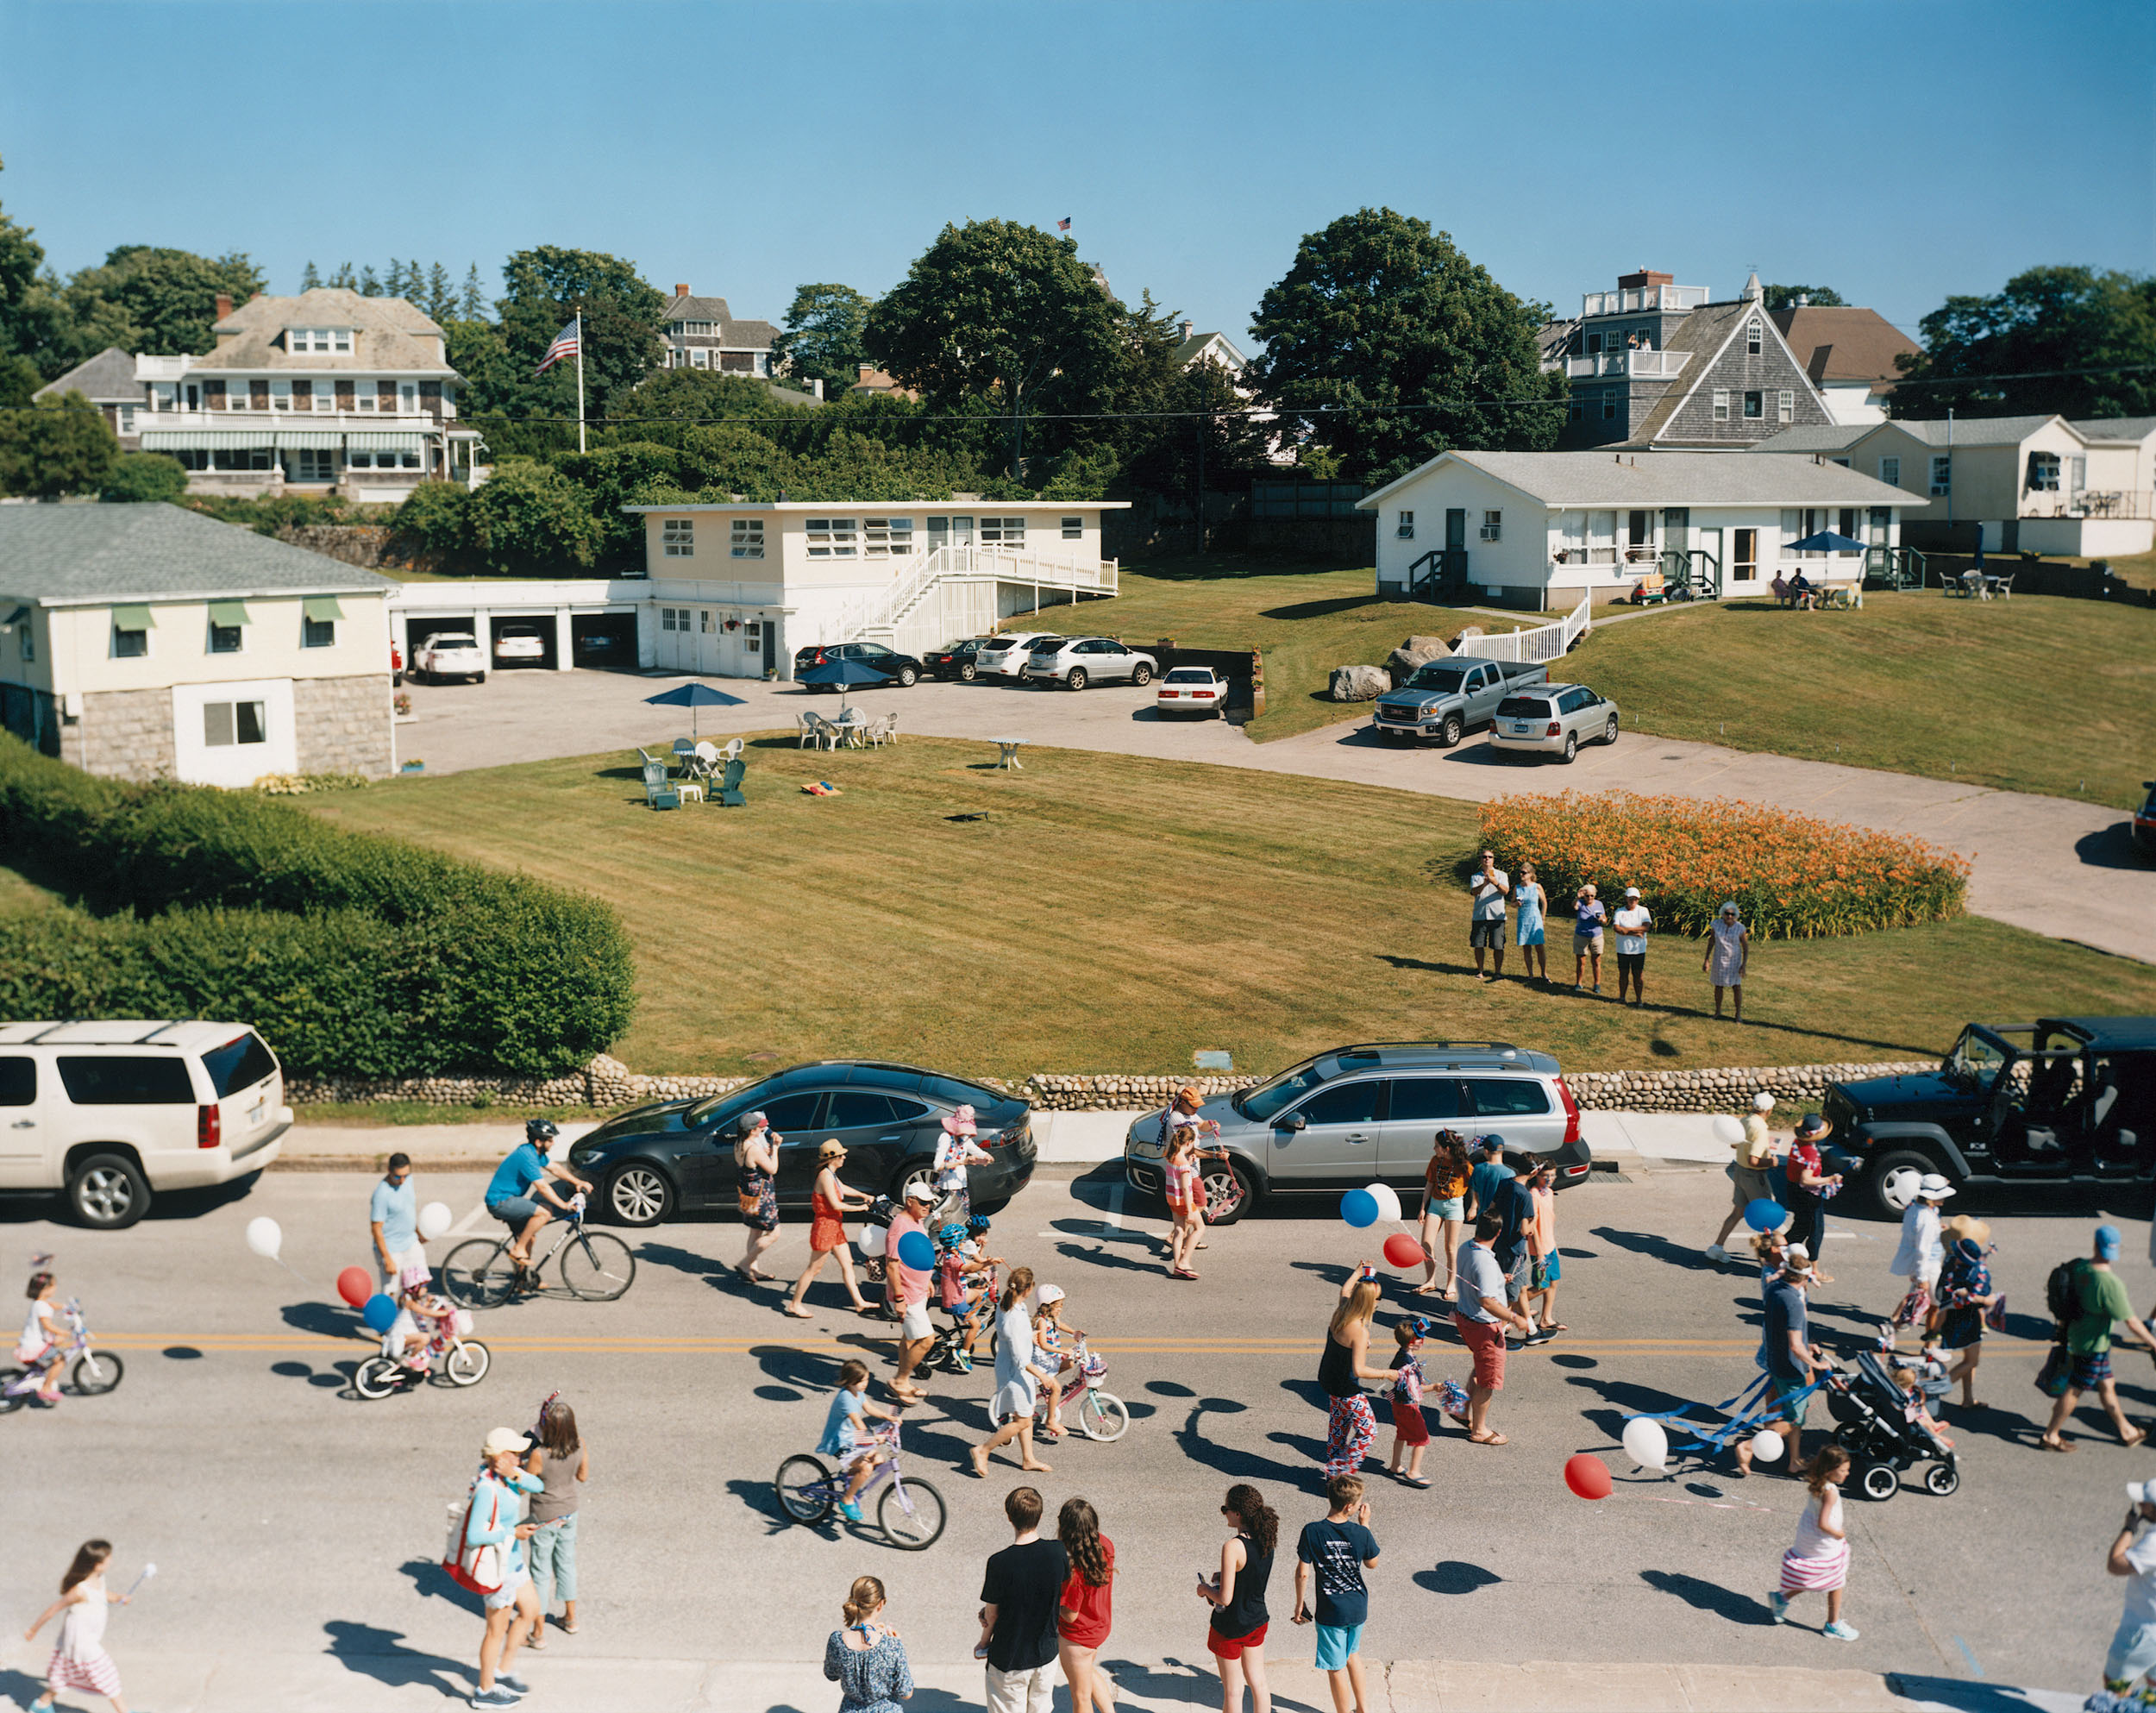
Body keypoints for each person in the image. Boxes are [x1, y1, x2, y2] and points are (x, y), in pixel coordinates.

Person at [2042, 1225, 2156, 1453]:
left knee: (2107, 1384)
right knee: (2074, 1390)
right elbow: (2132, 1322)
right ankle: (2050, 1435)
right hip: (2091, 1345)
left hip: (2080, 1336)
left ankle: (2127, 1431)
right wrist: (2154, 1343)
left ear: (2095, 1244)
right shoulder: (2110, 1284)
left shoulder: (2081, 1267)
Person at [466, 1426, 544, 1708]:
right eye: (515, 1454)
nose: (521, 1458)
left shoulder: (506, 1479)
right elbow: (474, 1536)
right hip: (498, 1570)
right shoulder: (487, 1488)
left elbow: (538, 1486)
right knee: (495, 1631)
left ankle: (503, 1670)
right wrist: (513, 1533)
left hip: (513, 1562)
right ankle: (485, 1691)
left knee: (532, 1609)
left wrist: (513, 1472)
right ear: (499, 1456)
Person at [1294, 1476, 1381, 1713]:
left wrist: (1300, 1604)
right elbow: (1372, 1563)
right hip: (1358, 1606)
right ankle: (1362, 1708)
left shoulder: (1312, 1531)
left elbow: (1303, 1573)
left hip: (1332, 1610)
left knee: (1336, 1666)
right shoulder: (1360, 1532)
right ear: (1349, 1507)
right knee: (1353, 1655)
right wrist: (1365, 1525)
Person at [978, 1485, 1068, 1713]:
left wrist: (984, 1642)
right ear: (1039, 1515)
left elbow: (992, 1613)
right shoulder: (1058, 1552)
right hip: (1045, 1654)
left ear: (1010, 1517)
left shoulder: (999, 1562)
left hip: (1009, 1658)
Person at [1738, 1247, 1827, 1476]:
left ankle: (1794, 1461)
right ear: (1806, 1277)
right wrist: (1816, 1364)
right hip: (1791, 1367)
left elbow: (1781, 1327)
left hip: (1775, 1360)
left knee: (1795, 1414)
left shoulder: (1774, 1288)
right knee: (1793, 1418)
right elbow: (1795, 1346)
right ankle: (1748, 1446)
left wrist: (1808, 1344)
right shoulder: (1795, 1303)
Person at [22, 1539, 132, 1713]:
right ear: (97, 1565)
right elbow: (53, 1609)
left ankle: (41, 1705)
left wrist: (119, 1598)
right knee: (107, 1675)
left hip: (85, 1639)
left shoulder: (99, 1579)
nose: (112, 1560)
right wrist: (33, 1630)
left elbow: (102, 1595)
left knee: (63, 1675)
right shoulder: (80, 1590)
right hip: (81, 1642)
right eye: (109, 1558)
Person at [1455, 1212, 1534, 1446]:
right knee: (1488, 1380)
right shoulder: (1486, 1263)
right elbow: (1487, 1301)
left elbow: (1477, 1278)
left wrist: (1500, 1279)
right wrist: (1515, 1317)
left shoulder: (1466, 1248)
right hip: (1484, 1326)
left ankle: (1461, 1410)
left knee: (1481, 1367)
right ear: (1498, 1233)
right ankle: (1479, 1431)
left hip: (1465, 1318)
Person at [1200, 1483, 1278, 1713]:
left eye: (1226, 1509)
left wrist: (1205, 1589)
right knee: (1258, 1681)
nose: (1225, 1514)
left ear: (1238, 1514)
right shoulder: (1267, 1537)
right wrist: (1225, 1574)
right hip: (1257, 1620)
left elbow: (1224, 1598)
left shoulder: (1233, 1546)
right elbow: (1252, 1572)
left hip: (1231, 1627)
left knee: (1233, 1690)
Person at [485, 1119, 592, 1283]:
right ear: (538, 1141)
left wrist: (577, 1182)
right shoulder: (527, 1157)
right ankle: (518, 1249)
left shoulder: (535, 1153)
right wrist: (564, 1205)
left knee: (530, 1237)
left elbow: (555, 1168)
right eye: (550, 1140)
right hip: (500, 1202)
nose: (553, 1143)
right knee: (545, 1212)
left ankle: (523, 1281)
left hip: (509, 1199)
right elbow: (542, 1188)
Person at [973, 1267, 1056, 1478]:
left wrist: (1032, 1334)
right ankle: (983, 1450)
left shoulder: (1011, 1304)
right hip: (1014, 1373)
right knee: (1023, 1420)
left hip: (1013, 1368)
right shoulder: (1013, 1318)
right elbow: (1020, 1359)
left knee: (1024, 1414)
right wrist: (1042, 1376)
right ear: (1027, 1289)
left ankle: (1028, 1459)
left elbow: (1017, 1336)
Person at [1769, 1446, 1857, 1640]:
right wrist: (1839, 1533)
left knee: (1816, 1576)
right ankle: (1832, 1625)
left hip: (1809, 1538)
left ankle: (1782, 1598)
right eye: (1843, 1470)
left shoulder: (1819, 1483)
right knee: (1836, 1579)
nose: (1847, 1473)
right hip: (1823, 1541)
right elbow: (1824, 1523)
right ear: (1830, 1470)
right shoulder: (1830, 1491)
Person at [522, 1397, 588, 1648]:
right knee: (566, 1564)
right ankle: (570, 1619)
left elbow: (524, 1486)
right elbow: (583, 1476)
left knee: (540, 1571)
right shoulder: (580, 1445)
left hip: (544, 1516)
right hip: (569, 1512)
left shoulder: (539, 1455)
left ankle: (538, 1632)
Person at [1319, 1270, 1395, 1479]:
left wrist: (1359, 1271)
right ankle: (1338, 1471)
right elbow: (1359, 1370)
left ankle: (1333, 1480)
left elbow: (1345, 1289)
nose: (1380, 1302)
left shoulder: (1342, 1310)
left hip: (1329, 1381)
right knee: (1368, 1432)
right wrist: (1387, 1374)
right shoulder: (1360, 1332)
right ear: (1370, 1301)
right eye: (1378, 1298)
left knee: (1339, 1429)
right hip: (1347, 1388)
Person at [787, 1141, 877, 1319]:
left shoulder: (831, 1174)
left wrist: (862, 1195)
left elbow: (841, 1188)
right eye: (841, 1155)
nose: (844, 1157)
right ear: (832, 1158)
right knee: (814, 1268)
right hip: (825, 1227)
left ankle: (859, 1302)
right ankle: (794, 1304)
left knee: (848, 1263)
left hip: (835, 1227)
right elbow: (836, 1204)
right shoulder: (825, 1176)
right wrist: (860, 1208)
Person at [820, 1358, 902, 1522]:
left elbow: (869, 1408)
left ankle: (850, 1480)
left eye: (866, 1380)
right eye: (862, 1381)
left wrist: (889, 1417)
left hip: (852, 1438)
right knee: (865, 1468)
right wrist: (875, 1438)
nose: (865, 1384)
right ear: (851, 1381)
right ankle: (847, 1500)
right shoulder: (846, 1398)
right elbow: (859, 1425)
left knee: (878, 1460)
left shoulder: (858, 1392)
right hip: (840, 1441)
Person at [1056, 1496, 1117, 1713]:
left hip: (1077, 1636)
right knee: (1087, 1672)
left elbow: (1070, 1614)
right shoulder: (1106, 1545)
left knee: (1080, 1697)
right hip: (1099, 1625)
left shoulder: (1074, 1570)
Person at [2099, 1482, 2156, 1708]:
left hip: (2144, 1632)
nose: (2140, 1505)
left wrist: (2129, 1529)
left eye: (2145, 1503)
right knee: (2153, 1684)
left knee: (2115, 1685)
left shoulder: (2153, 1544)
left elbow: (2115, 1564)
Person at [825, 1574, 914, 1712]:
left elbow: (831, 1674)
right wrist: (896, 1643)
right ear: (880, 1604)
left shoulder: (837, 1641)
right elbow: (906, 1692)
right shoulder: (891, 1645)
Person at [1163, 1089, 1226, 1279]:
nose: (1197, 1108)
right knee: (1200, 1222)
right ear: (1183, 1103)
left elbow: (1202, 1125)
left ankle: (1177, 1262)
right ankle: (1184, 1261)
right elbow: (1185, 1188)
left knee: (1180, 1227)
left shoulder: (1175, 1156)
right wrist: (1216, 1155)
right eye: (1194, 1105)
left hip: (1172, 1196)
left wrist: (1211, 1124)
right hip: (1188, 1182)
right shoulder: (1177, 1120)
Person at [1708, 1094, 1780, 1262]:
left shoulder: (1746, 1120)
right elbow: (1754, 1160)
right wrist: (1772, 1161)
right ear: (1769, 1110)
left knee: (1737, 1212)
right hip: (1755, 1177)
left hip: (1740, 1173)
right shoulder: (1760, 1128)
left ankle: (1717, 1247)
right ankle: (1769, 1259)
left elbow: (1734, 1143)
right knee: (1767, 1218)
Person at [886, 1185, 938, 1403]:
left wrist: (927, 1280)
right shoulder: (900, 1226)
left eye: (930, 1203)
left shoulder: (916, 1221)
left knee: (909, 1339)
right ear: (910, 1201)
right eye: (923, 1202)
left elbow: (917, 1251)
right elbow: (891, 1265)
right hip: (907, 1296)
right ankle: (900, 1380)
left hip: (918, 1291)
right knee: (927, 1340)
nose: (928, 1206)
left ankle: (903, 1381)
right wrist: (899, 1299)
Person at [1936, 1222, 1998, 1409]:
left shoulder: (1950, 1263)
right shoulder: (1977, 1272)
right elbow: (1982, 1297)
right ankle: (1933, 1390)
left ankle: (1968, 1399)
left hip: (1952, 1316)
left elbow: (1943, 1289)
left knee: (1969, 1360)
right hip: (1967, 1319)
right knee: (1972, 1361)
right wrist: (1987, 1301)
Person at [1887, 1173, 1952, 1326]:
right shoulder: (1927, 1218)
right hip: (1928, 1266)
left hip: (1921, 1266)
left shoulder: (1914, 1208)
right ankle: (1928, 1345)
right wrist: (1922, 1278)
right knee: (1935, 1305)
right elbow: (1922, 1249)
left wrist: (1937, 1228)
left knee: (1913, 1299)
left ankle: (1892, 1326)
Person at [1414, 1132, 1471, 1299]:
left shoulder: (1464, 1165)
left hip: (1454, 1206)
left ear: (1446, 1149)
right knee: (1425, 1244)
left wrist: (1474, 1206)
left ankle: (1451, 1284)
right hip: (1435, 1205)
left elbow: (1475, 1186)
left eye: (1437, 1146)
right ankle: (1430, 1281)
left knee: (1450, 1248)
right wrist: (1423, 1208)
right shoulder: (1435, 1161)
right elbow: (1429, 1185)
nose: (1434, 1148)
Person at [1031, 1283, 1089, 1440]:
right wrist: (1062, 1350)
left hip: (1050, 1360)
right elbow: (1043, 1344)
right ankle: (1050, 1421)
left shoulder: (1052, 1318)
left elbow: (1059, 1323)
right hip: (1041, 1364)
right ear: (1046, 1305)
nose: (1060, 1309)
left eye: (1061, 1305)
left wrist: (1073, 1332)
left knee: (1070, 1363)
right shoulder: (1041, 1322)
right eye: (1057, 1306)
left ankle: (1047, 1387)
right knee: (1056, 1389)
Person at [1782, 1114, 1840, 1261]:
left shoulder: (1798, 1142)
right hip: (1807, 1195)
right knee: (1816, 1231)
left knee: (1801, 1227)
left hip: (1793, 1189)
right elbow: (1806, 1179)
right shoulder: (1811, 1153)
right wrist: (1830, 1179)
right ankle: (1813, 1268)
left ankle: (1775, 1252)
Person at [733, 1112, 783, 1283]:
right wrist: (775, 1148)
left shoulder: (739, 1144)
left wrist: (763, 1152)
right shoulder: (753, 1149)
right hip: (762, 1198)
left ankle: (752, 1269)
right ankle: (745, 1264)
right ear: (752, 1130)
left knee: (755, 1231)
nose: (763, 1129)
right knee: (774, 1233)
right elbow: (772, 1168)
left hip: (750, 1195)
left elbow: (750, 1165)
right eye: (760, 1127)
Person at [1383, 1319, 1432, 1488]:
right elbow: (1415, 1389)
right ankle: (1414, 1471)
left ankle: (1395, 1465)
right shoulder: (1408, 1364)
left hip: (1397, 1402)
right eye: (1420, 1338)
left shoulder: (1401, 1355)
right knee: (1422, 1439)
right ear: (1412, 1343)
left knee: (1402, 1434)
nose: (1423, 1340)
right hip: (1408, 1405)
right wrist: (1435, 1387)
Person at [371, 1151, 426, 1292]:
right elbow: (376, 1228)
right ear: (389, 1171)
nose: (402, 1181)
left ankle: (409, 1314)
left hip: (411, 1242)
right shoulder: (381, 1194)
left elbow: (409, 1210)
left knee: (419, 1288)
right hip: (392, 1249)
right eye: (397, 1176)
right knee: (390, 1291)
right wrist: (387, 1259)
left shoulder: (408, 1180)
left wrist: (419, 1233)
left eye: (405, 1176)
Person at [1522, 1161, 1565, 1338]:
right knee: (1541, 1285)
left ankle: (1546, 1318)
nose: (1550, 1179)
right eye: (1546, 1176)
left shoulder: (1548, 1194)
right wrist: (1539, 1252)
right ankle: (1515, 1308)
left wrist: (1554, 1245)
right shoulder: (1533, 1195)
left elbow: (1549, 1223)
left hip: (1550, 1246)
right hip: (1539, 1249)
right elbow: (1532, 1227)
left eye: (1553, 1175)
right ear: (1537, 1176)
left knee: (1553, 1281)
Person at [933, 1105, 993, 1222]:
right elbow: (937, 1166)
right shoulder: (945, 1138)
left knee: (963, 1219)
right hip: (948, 1188)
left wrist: (986, 1157)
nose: (965, 1135)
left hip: (961, 1186)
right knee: (949, 1221)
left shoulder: (965, 1139)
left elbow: (976, 1151)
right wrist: (962, 1162)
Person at [17, 1268, 66, 1407]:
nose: (56, 1287)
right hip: (35, 1346)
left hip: (28, 1343)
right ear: (45, 1289)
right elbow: (48, 1325)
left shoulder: (39, 1302)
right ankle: (46, 1388)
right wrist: (64, 1333)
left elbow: (52, 1305)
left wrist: (66, 1307)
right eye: (53, 1285)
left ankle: (38, 1377)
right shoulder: (42, 1307)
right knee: (60, 1361)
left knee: (52, 1348)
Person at [1703, 900, 1749, 1022]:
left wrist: (1743, 965)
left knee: (1736, 986)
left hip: (1734, 960)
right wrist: (1706, 959)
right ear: (1722, 913)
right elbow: (1711, 941)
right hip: (1719, 959)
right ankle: (1718, 1011)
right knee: (1718, 986)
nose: (1729, 916)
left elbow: (1745, 947)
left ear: (1736, 915)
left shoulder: (1740, 928)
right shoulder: (1716, 925)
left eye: (1732, 914)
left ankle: (1737, 1014)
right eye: (1727, 913)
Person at [1467, 849, 1509, 982]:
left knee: (1498, 946)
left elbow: (1505, 891)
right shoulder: (1476, 877)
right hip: (1480, 915)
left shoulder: (1502, 875)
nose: (1487, 859)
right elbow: (1474, 892)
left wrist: (1495, 882)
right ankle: (1480, 971)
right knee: (1478, 944)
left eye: (1489, 857)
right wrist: (1485, 883)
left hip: (1497, 916)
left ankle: (1497, 972)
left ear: (1493, 860)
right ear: (1481, 860)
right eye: (1484, 857)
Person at [1611, 886, 1651, 1006]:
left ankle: (1639, 1000)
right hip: (1623, 948)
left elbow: (1646, 927)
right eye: (1630, 898)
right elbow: (1617, 928)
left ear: (1638, 899)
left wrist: (1627, 930)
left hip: (1638, 949)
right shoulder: (1619, 911)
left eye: (1635, 898)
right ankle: (1622, 997)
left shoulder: (1643, 911)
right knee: (1623, 974)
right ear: (1626, 898)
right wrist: (1637, 932)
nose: (1633, 901)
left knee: (1638, 975)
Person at [1463, 1136, 1513, 1226]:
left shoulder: (1478, 1168)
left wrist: (1473, 1208)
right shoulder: (1510, 1174)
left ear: (1486, 1151)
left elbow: (1475, 1190)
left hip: (1482, 1217)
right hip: (1500, 1219)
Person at [1513, 862, 1548, 982]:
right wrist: (1516, 904)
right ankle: (1530, 974)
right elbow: (1512, 903)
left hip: (1535, 918)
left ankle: (1544, 973)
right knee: (1526, 947)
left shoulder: (1537, 887)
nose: (1521, 874)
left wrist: (1542, 918)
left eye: (1524, 872)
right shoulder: (1517, 888)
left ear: (1531, 874)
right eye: (1520, 872)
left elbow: (1544, 903)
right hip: (1523, 919)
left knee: (1539, 947)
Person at [1571, 884, 1607, 994]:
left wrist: (1602, 920)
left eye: (1592, 896)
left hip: (1596, 936)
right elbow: (1574, 907)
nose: (1590, 898)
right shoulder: (1580, 903)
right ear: (1584, 896)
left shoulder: (1599, 904)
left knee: (1596, 961)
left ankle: (1597, 984)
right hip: (1581, 935)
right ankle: (1579, 983)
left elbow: (1605, 919)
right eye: (1587, 896)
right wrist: (1577, 897)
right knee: (1581, 961)